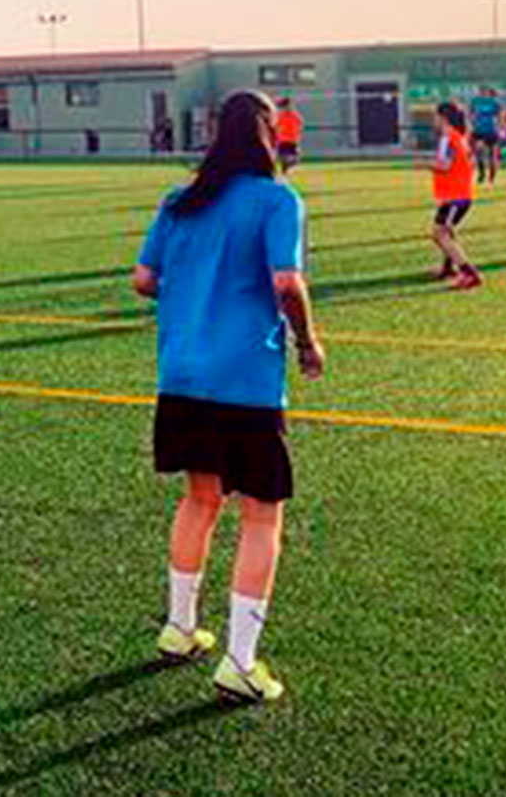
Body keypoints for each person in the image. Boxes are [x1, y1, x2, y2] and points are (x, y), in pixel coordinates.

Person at [132, 91, 325, 705]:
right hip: (245, 379)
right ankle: (240, 661)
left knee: (200, 498)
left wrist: (193, 302)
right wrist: (308, 342)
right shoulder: (277, 199)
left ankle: (180, 628)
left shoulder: (180, 200)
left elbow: (143, 280)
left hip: (181, 373)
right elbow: (286, 282)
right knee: (263, 512)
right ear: (269, 135)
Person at [427, 101, 483, 289]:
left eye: (435, 116)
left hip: (455, 197)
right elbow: (470, 164)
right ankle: (447, 268)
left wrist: (422, 164)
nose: (433, 120)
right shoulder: (460, 137)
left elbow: (444, 165)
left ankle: (469, 274)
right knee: (447, 232)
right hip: (459, 195)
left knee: (439, 234)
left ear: (443, 118)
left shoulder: (448, 138)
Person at [467, 85, 506, 186]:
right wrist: (471, 124)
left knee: (493, 156)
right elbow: (470, 114)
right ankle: (481, 173)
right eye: (481, 91)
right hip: (479, 131)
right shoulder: (475, 101)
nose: (483, 93)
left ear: (489, 92)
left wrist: (501, 128)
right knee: (479, 151)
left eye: (485, 91)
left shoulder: (494, 102)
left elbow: (501, 115)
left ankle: (491, 178)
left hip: (492, 131)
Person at [273, 98, 304, 172]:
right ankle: (285, 170)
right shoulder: (280, 116)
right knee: (283, 157)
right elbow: (276, 126)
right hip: (282, 140)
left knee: (294, 157)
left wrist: (297, 135)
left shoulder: (294, 116)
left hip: (292, 140)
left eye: (283, 106)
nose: (281, 108)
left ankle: (290, 165)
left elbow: (299, 126)